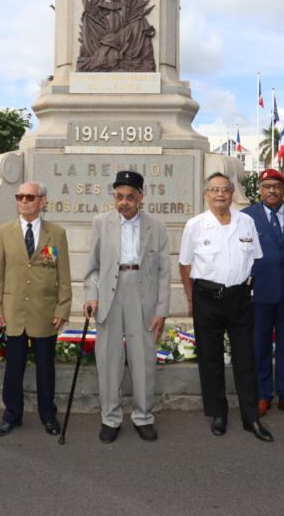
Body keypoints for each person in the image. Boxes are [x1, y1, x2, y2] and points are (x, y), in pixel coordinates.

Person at [178, 172, 272, 441]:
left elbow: (255, 258)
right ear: (206, 194)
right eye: (214, 189)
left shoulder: (247, 222)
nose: (220, 194)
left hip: (240, 299)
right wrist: (190, 298)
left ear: (232, 193)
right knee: (210, 359)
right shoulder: (195, 225)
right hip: (207, 298)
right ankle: (218, 413)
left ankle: (250, 417)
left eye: (225, 190)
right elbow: (185, 265)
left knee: (246, 359)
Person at [83, 171, 170, 443]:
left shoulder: (157, 227)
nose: (124, 203)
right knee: (108, 357)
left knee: (143, 358)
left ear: (140, 198)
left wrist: (161, 310)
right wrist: (91, 295)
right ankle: (110, 417)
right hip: (109, 294)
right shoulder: (101, 222)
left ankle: (143, 416)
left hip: (142, 294)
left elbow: (165, 272)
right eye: (119, 197)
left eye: (130, 197)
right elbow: (93, 267)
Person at [0, 182, 71, 437]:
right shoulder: (4, 231)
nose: (24, 201)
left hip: (45, 312)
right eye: (20, 196)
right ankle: (11, 416)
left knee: (46, 368)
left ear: (42, 201)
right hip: (13, 312)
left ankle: (48, 415)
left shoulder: (56, 233)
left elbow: (63, 276)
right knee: (14, 368)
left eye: (30, 196)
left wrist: (62, 309)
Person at [242, 168, 284, 419]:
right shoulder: (246, 216)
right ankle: (262, 395)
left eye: (277, 186)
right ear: (260, 189)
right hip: (259, 292)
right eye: (267, 186)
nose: (272, 190)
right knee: (258, 346)